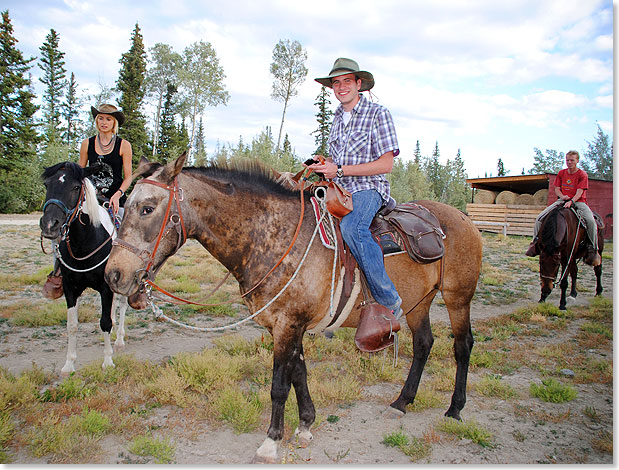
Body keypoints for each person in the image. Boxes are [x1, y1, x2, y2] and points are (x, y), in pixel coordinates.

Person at [307, 57, 403, 319]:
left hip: (368, 188)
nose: (341, 87)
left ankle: (389, 300)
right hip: (338, 190)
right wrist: (325, 163)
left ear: (359, 84)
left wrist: (340, 171)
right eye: (336, 83)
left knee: (352, 228)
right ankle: (328, 301)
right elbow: (338, 161)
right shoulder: (337, 119)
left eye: (347, 81)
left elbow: (386, 164)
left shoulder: (378, 114)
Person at [43, 104, 132, 299]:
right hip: (90, 197)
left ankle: (130, 276)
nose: (104, 122)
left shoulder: (123, 145)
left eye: (108, 119)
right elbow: (79, 174)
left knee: (128, 228)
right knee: (64, 227)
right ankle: (59, 271)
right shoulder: (87, 144)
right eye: (100, 118)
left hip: (114, 198)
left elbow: (128, 177)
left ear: (114, 123)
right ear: (96, 121)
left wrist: (117, 194)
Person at [525, 150, 601, 266]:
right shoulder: (561, 173)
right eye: (567, 160)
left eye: (572, 160)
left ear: (577, 161)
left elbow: (580, 192)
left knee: (591, 221)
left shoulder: (582, 175)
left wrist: (571, 201)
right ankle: (535, 242)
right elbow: (557, 189)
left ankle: (592, 248)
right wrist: (562, 196)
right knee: (539, 218)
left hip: (578, 201)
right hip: (562, 200)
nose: (569, 162)